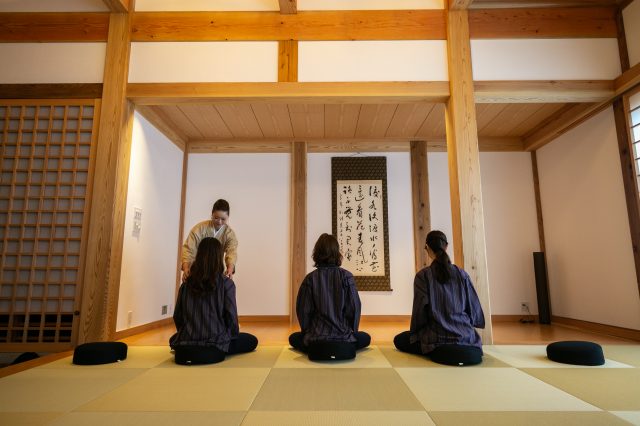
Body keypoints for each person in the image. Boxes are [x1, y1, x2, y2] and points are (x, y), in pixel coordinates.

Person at [393, 230, 485, 366]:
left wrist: (416, 333)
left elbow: (420, 314)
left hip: (437, 337)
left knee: (400, 340)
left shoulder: (423, 276)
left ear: (427, 249)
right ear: (446, 246)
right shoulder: (462, 274)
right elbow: (473, 308)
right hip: (466, 337)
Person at [170, 237, 257, 363]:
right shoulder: (226, 284)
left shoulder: (186, 284)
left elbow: (177, 316)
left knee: (174, 338)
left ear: (198, 256)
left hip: (186, 344)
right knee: (251, 340)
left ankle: (190, 343)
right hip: (215, 344)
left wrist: (189, 333)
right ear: (219, 257)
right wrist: (231, 334)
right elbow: (231, 317)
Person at [289, 233, 370, 354]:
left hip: (316, 338)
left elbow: (303, 311)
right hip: (344, 338)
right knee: (365, 337)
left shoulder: (310, 278)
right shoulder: (347, 276)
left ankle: (318, 348)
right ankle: (343, 348)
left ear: (316, 254)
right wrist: (352, 331)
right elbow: (354, 307)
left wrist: (307, 332)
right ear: (337, 253)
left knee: (294, 338)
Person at [182, 199, 238, 279]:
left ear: (228, 217)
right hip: (197, 270)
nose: (219, 221)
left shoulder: (229, 234)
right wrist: (186, 267)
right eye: (216, 218)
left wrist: (230, 268)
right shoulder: (199, 229)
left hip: (217, 271)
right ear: (212, 214)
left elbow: (231, 251)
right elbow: (188, 249)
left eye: (223, 219)